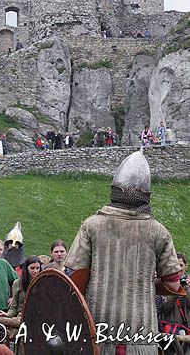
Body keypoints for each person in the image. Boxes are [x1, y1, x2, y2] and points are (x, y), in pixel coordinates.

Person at [65, 150, 183, 354]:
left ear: (115, 190)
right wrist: (143, 282)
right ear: (145, 196)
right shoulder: (159, 232)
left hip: (97, 333)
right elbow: (173, 283)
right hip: (142, 335)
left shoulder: (91, 226)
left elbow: (74, 278)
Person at [161, 253, 190, 327]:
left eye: (180, 265)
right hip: (173, 327)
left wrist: (187, 289)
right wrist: (177, 290)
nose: (178, 268)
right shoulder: (165, 283)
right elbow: (165, 309)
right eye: (175, 265)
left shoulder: (188, 282)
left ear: (185, 267)